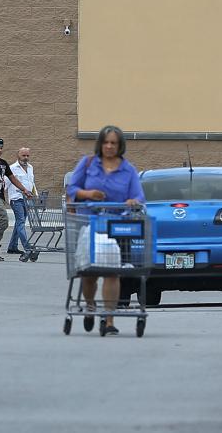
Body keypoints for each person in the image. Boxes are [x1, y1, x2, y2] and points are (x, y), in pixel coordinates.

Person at [66, 126, 145, 336]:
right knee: (90, 273)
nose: (109, 146)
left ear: (120, 146)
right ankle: (91, 307)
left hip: (116, 226)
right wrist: (88, 193)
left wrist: (132, 201)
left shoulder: (128, 170)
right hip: (89, 224)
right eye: (106, 142)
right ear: (100, 144)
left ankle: (109, 320)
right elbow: (72, 189)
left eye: (114, 143)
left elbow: (139, 196)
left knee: (112, 272)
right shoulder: (88, 163)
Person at [5, 147, 37, 259]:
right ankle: (27, 247)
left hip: (28, 199)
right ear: (18, 155)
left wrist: (35, 196)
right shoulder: (12, 168)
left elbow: (31, 183)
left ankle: (12, 246)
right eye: (24, 155)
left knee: (20, 222)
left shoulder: (30, 167)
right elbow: (5, 184)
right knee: (21, 222)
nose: (26, 158)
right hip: (16, 198)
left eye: (28, 155)